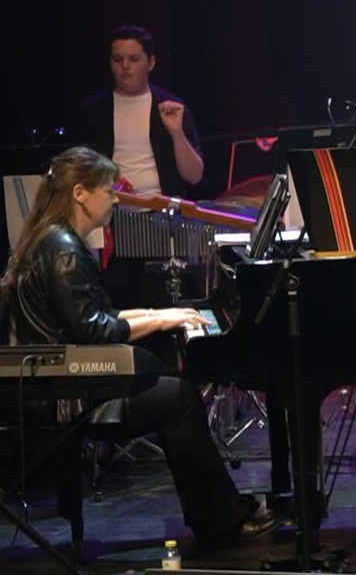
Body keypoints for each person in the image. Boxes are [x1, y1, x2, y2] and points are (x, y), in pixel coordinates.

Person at [0, 147, 280, 546]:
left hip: (57, 381)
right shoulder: (62, 249)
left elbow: (97, 317)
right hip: (64, 394)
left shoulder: (54, 240)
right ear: (80, 194)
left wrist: (159, 312)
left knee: (172, 388)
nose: (115, 200)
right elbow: (96, 332)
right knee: (179, 397)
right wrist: (163, 320)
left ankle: (217, 513)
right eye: (108, 191)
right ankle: (220, 522)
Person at [75, 25, 204, 197]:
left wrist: (176, 133)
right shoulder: (94, 109)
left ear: (151, 63)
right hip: (112, 208)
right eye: (117, 59)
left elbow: (194, 176)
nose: (125, 66)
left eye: (134, 59)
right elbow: (79, 171)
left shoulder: (171, 107)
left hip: (161, 209)